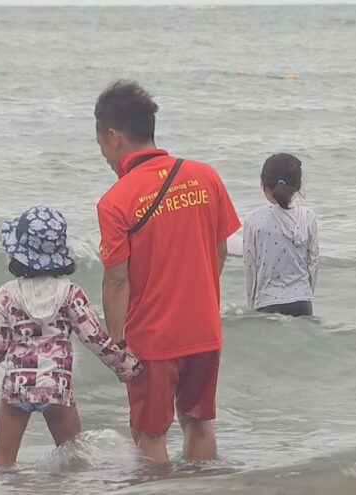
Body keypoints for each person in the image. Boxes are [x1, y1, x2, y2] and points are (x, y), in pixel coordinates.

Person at [94, 80, 240, 464]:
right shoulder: (206, 176)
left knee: (149, 433)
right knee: (199, 422)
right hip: (205, 327)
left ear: (114, 137)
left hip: (154, 337)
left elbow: (117, 279)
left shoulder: (115, 200)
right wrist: (200, 297)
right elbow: (220, 248)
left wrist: (116, 343)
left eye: (102, 148)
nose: (106, 158)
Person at [0, 206, 141, 468]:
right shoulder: (70, 293)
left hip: (17, 389)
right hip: (56, 388)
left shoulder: (7, 293)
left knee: (1, 462)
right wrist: (127, 365)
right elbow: (94, 339)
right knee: (74, 463)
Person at [243, 153, 318, 317]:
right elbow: (313, 264)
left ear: (264, 186)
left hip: (267, 303)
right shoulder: (308, 217)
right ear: (298, 186)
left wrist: (251, 306)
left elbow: (250, 268)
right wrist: (306, 294)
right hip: (302, 302)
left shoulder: (253, 220)